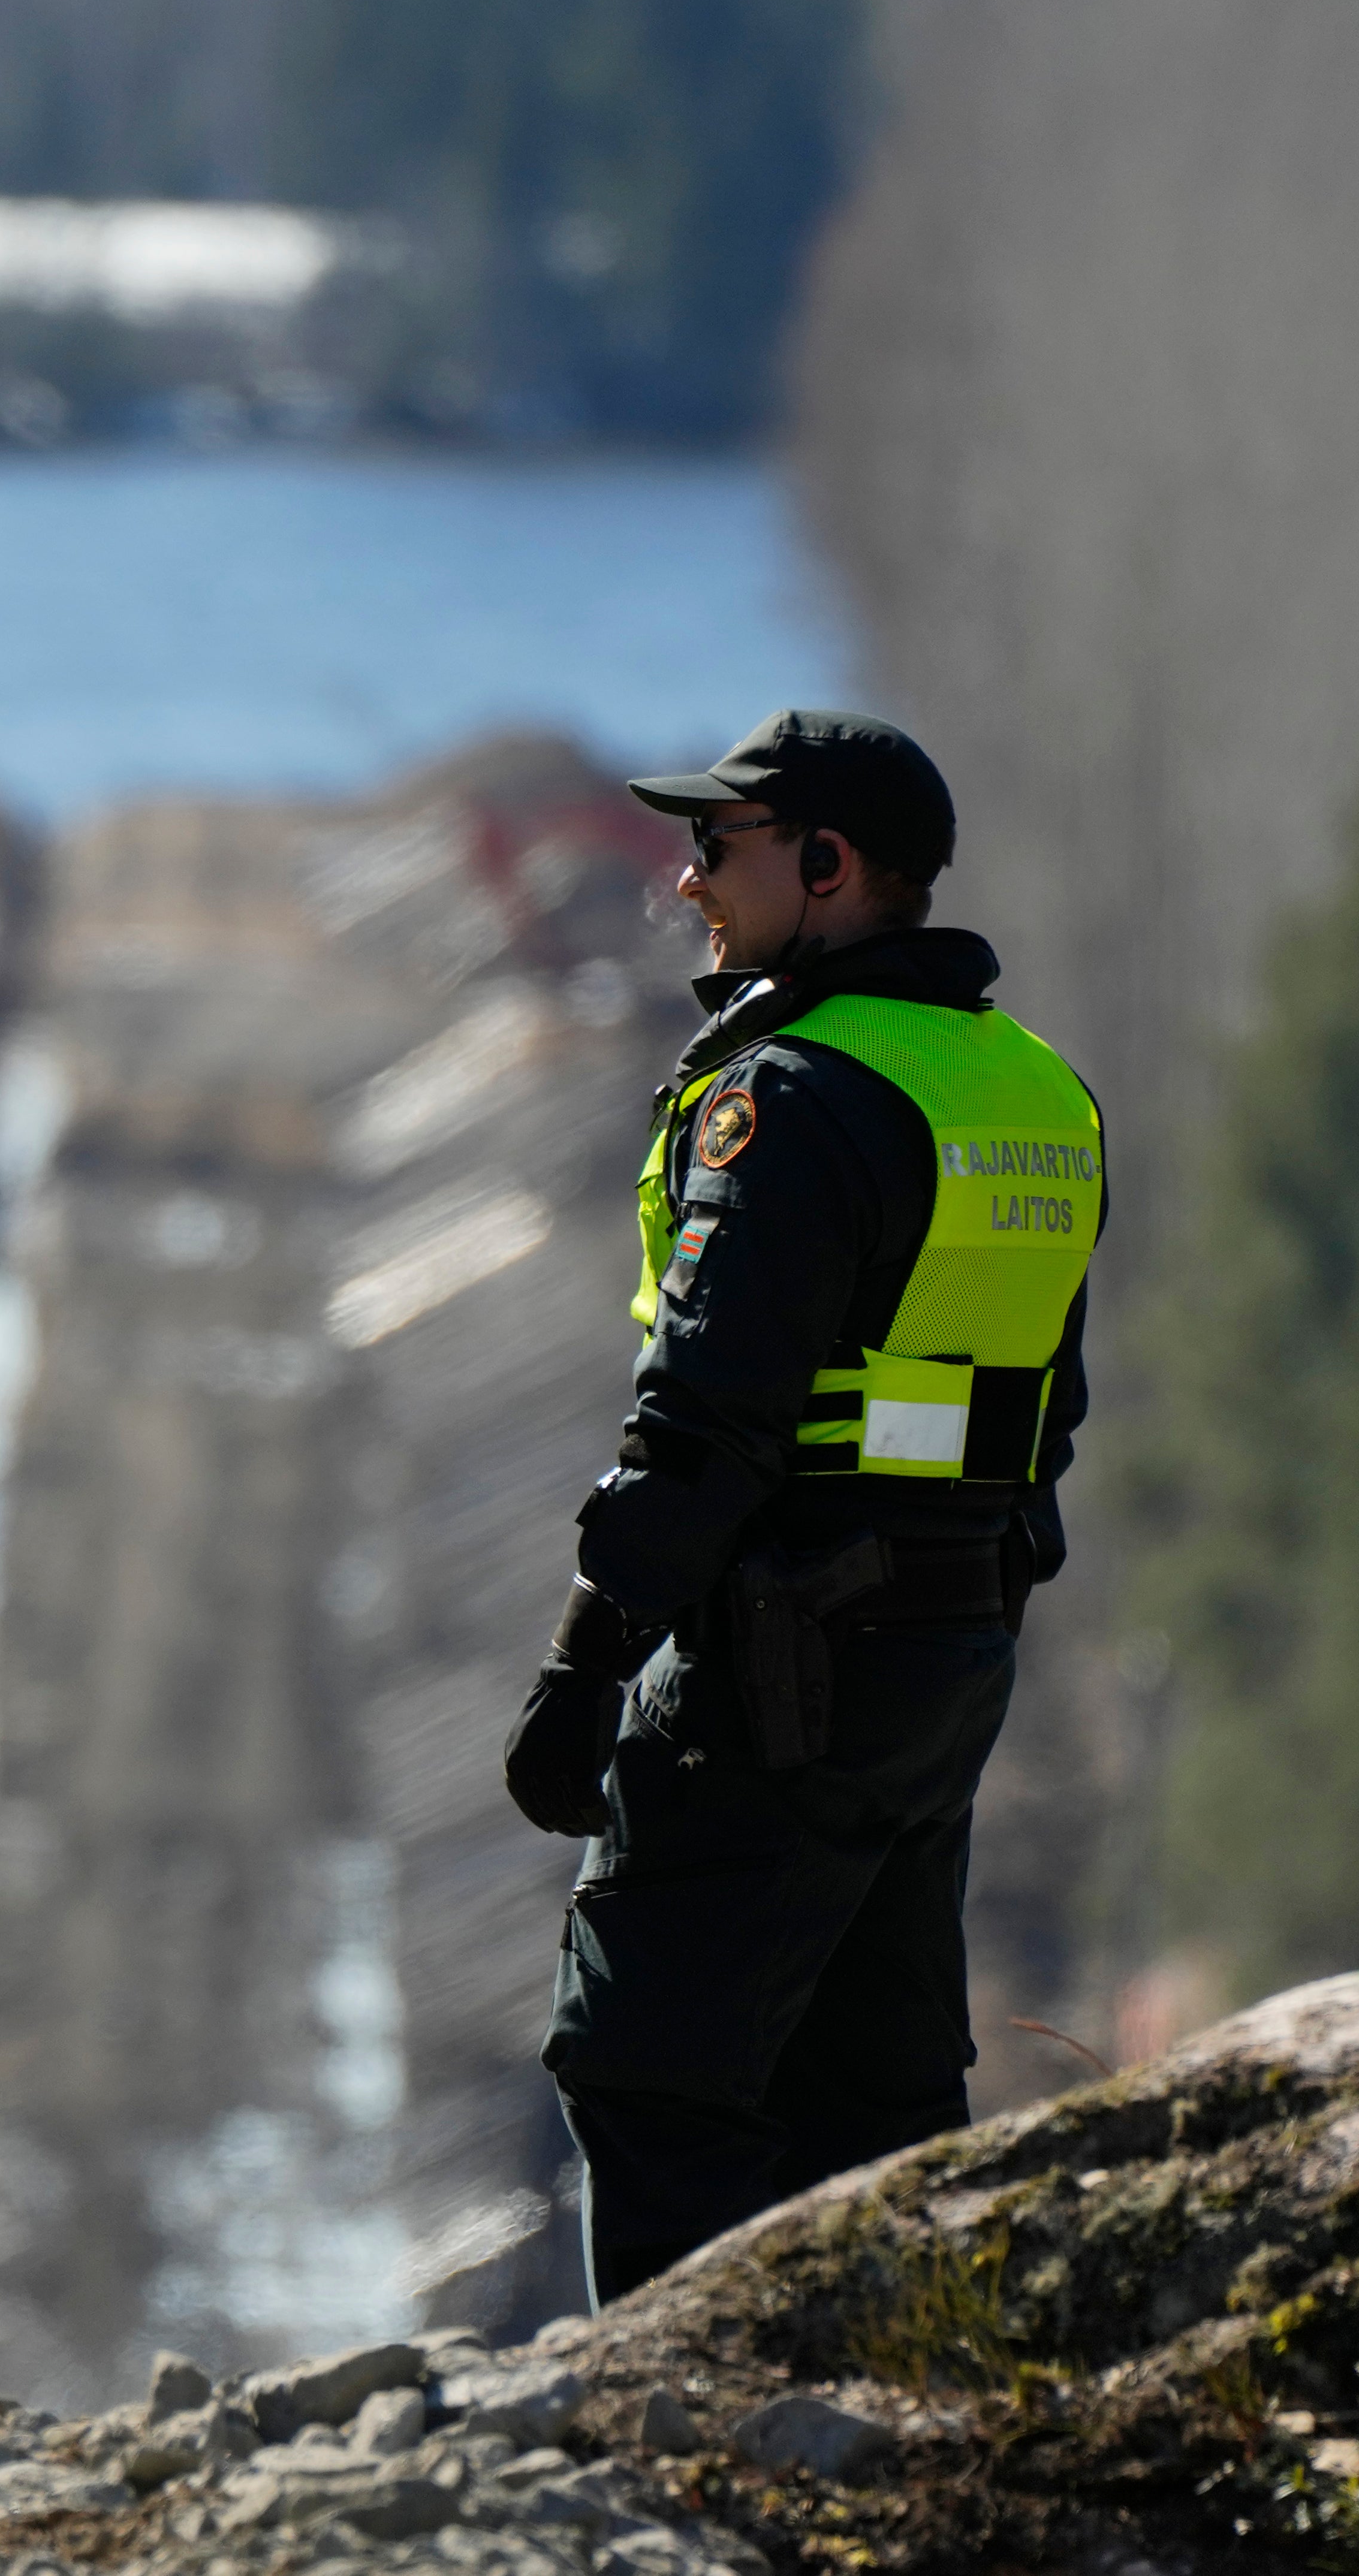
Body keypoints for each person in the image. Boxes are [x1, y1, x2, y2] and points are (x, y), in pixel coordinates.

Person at [502, 709, 1100, 2304]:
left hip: (779, 1659)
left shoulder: (788, 1097)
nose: (686, 881)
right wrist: (968, 1616)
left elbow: (702, 1424)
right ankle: (899, 2421)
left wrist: (581, 1666)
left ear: (825, 866)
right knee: (880, 2101)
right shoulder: (1032, 1091)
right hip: (945, 1653)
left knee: (647, 2068)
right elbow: (1040, 1421)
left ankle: (665, 2459)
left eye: (720, 847)